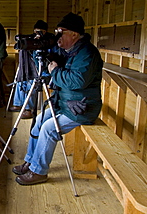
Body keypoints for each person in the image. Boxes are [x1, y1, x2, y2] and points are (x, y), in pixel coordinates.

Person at [12, 12, 103, 185]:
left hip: (82, 108)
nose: (57, 36)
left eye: (61, 32)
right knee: (38, 121)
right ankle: (31, 161)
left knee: (48, 129)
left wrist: (55, 71)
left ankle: (39, 172)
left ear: (74, 34)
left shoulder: (87, 53)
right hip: (66, 103)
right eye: (56, 31)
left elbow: (78, 80)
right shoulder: (69, 51)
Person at [10, 20, 54, 119]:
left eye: (40, 32)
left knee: (31, 83)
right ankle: (18, 104)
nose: (37, 34)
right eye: (36, 31)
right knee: (20, 81)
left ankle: (28, 109)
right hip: (33, 69)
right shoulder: (33, 40)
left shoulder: (49, 41)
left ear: (45, 31)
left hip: (46, 72)